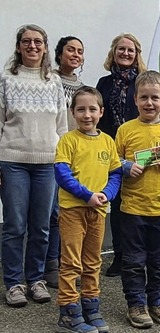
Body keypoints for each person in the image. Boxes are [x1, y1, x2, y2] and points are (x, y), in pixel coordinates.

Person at [1, 24, 67, 308]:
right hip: (12, 162)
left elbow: (62, 127)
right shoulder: (5, 79)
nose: (32, 46)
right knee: (15, 226)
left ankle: (36, 280)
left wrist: (64, 162)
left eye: (37, 41)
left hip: (47, 164)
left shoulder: (54, 81)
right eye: (26, 41)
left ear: (44, 46)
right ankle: (14, 283)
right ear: (18, 46)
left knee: (41, 227)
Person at [115, 71, 160, 329]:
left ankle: (157, 302)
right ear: (135, 100)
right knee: (133, 260)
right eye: (143, 97)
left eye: (154, 98)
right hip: (133, 209)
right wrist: (126, 166)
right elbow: (113, 162)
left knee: (159, 260)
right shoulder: (125, 130)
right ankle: (136, 304)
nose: (149, 103)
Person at [54, 86, 122, 333]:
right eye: (81, 109)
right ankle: (69, 312)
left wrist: (106, 194)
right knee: (71, 262)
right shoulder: (68, 140)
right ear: (72, 112)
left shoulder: (107, 141)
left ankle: (91, 307)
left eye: (92, 109)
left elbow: (115, 173)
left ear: (101, 112)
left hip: (99, 211)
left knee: (92, 262)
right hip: (73, 210)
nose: (87, 115)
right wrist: (87, 195)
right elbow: (62, 174)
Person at [97, 33, 147, 277]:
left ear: (137, 54)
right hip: (112, 152)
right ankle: (120, 257)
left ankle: (139, 256)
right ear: (113, 52)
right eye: (121, 49)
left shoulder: (144, 83)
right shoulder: (103, 84)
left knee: (139, 203)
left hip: (140, 150)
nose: (126, 53)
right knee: (117, 207)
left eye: (131, 50)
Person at [44, 35, 86, 289]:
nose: (75, 54)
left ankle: (69, 264)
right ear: (59, 53)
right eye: (70, 49)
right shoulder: (49, 81)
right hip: (52, 155)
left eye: (80, 51)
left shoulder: (83, 88)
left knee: (69, 212)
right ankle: (51, 265)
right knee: (52, 213)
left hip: (77, 158)